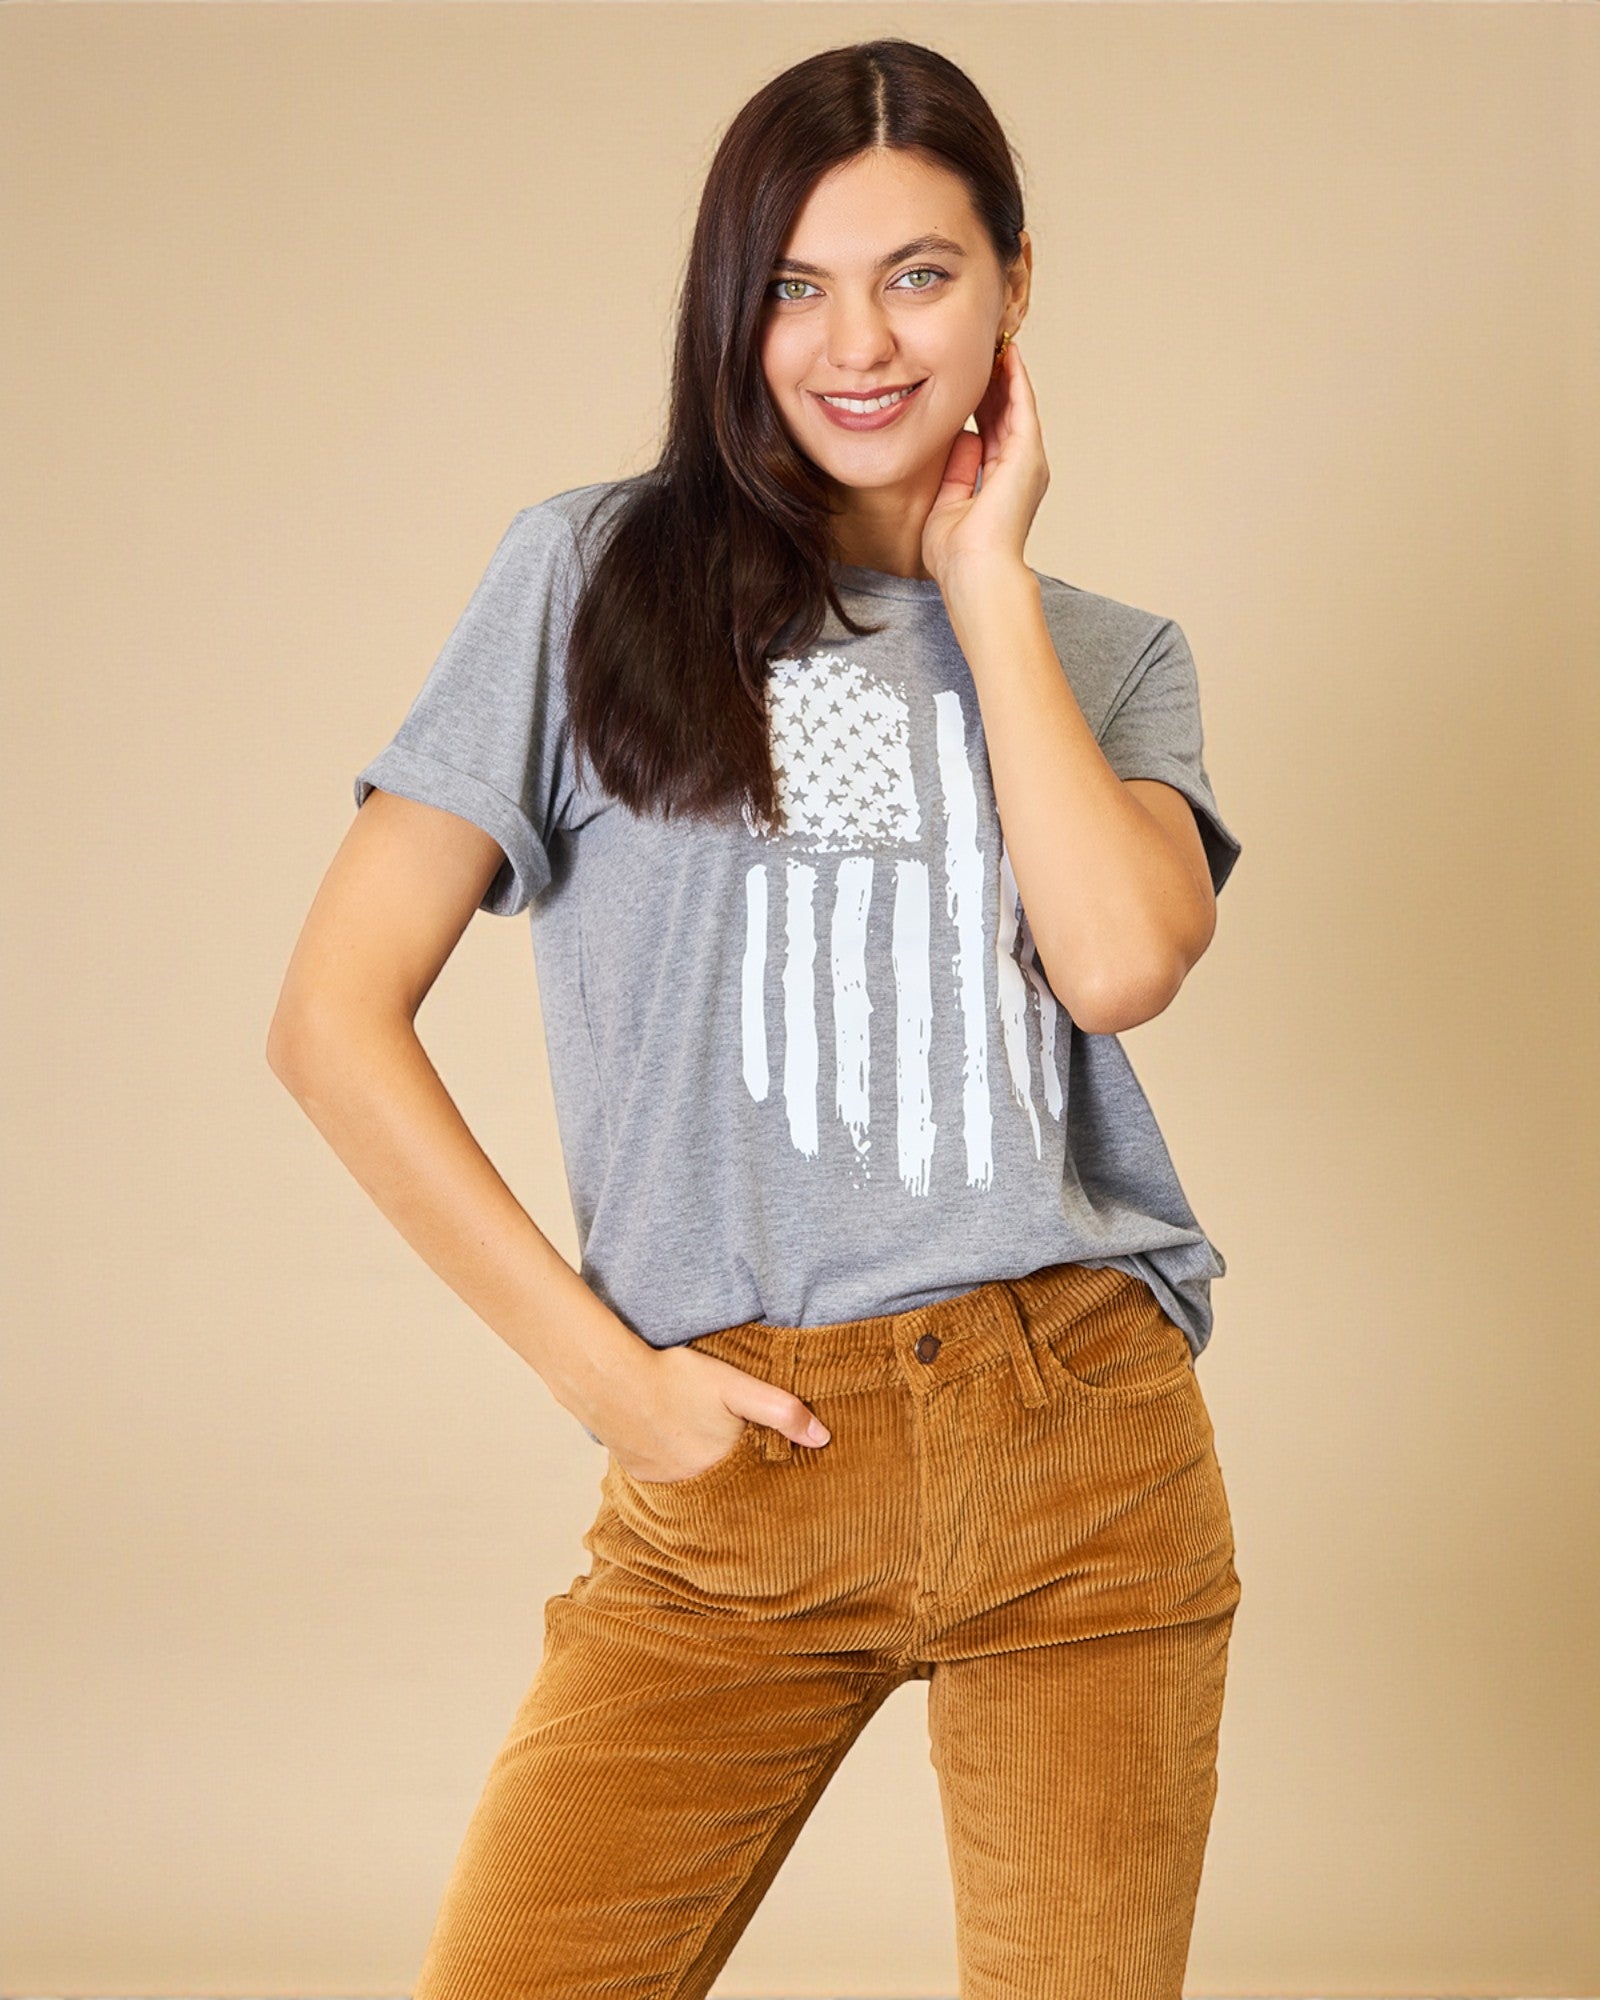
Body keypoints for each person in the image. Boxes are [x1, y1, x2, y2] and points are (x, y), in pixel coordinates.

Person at [268, 36, 1244, 2000]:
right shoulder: (588, 579)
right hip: (739, 1459)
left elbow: (1118, 963)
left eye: (917, 273)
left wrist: (978, 576)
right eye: (794, 284)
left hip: (1080, 1450)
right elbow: (329, 1017)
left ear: (1011, 288)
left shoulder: (1105, 657)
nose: (854, 340)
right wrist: (603, 1379)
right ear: (734, 309)